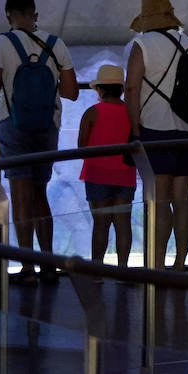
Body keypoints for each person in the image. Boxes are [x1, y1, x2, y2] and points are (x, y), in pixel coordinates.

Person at [0, 0, 79, 284]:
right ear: (35, 16)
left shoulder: (3, 42)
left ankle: (27, 268)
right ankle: (48, 264)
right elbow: (71, 91)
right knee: (39, 193)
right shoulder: (55, 43)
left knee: (20, 196)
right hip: (47, 127)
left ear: (8, 16)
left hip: (15, 126)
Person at [124, 0, 188, 270]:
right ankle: (181, 263)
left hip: (156, 129)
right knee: (182, 197)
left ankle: (157, 264)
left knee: (159, 199)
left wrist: (135, 127)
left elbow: (131, 88)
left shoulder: (142, 45)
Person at [77, 64, 136, 268]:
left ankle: (97, 270)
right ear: (121, 90)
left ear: (99, 89)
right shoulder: (131, 112)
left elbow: (81, 146)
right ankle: (123, 270)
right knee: (123, 224)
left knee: (101, 225)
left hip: (97, 174)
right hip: (125, 174)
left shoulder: (92, 112)